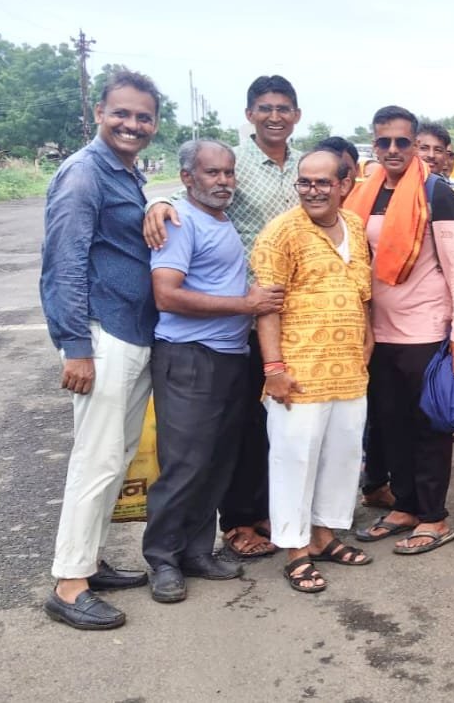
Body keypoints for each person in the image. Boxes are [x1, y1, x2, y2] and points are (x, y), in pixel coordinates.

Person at [143, 74, 305, 561]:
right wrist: (160, 201)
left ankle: (206, 545)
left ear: (297, 115)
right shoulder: (189, 209)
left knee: (240, 438)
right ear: (250, 114)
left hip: (271, 324)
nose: (223, 181)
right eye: (264, 107)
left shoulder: (302, 168)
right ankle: (192, 545)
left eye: (284, 107)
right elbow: (167, 291)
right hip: (214, 336)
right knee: (190, 458)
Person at [40, 69, 162, 630]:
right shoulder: (84, 173)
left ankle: (87, 561)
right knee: (96, 458)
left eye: (142, 116)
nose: (132, 124)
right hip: (102, 333)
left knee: (115, 458)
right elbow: (63, 263)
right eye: (122, 113)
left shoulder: (128, 173)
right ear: (99, 113)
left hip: (133, 332)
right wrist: (74, 347)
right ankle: (68, 584)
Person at [348, 112, 454, 555]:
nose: (394, 151)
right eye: (384, 142)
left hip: (426, 328)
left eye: (403, 142)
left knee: (428, 425)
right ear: (374, 144)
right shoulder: (364, 193)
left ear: (415, 143)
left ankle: (433, 516)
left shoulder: (437, 194)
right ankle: (404, 505)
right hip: (378, 331)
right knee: (391, 424)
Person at [251, 149, 375, 592]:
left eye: (323, 182)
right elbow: (266, 307)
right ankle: (296, 550)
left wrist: (370, 335)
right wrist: (273, 368)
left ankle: (324, 536)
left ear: (346, 184)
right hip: (299, 373)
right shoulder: (280, 234)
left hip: (348, 371)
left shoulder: (356, 227)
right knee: (294, 460)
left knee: (341, 458)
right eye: (305, 182)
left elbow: (362, 291)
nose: (313, 190)